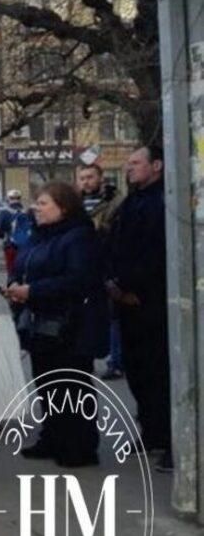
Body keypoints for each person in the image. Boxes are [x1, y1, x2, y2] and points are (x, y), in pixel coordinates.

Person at [5, 182, 105, 467]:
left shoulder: (78, 237)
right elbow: (22, 264)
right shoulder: (39, 236)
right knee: (46, 384)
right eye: (37, 203)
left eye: (44, 203)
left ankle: (79, 447)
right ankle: (52, 438)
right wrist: (14, 283)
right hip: (42, 325)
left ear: (64, 207)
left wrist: (33, 291)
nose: (37, 208)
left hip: (71, 324)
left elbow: (78, 280)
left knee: (71, 388)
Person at [107, 145, 172, 473]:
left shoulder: (163, 201)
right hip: (126, 300)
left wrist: (134, 289)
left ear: (156, 165)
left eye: (136, 163)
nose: (129, 168)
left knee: (159, 372)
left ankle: (170, 438)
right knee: (138, 371)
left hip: (151, 302)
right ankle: (152, 431)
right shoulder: (131, 200)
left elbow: (157, 254)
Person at [76, 163, 123, 381]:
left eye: (90, 177)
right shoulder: (74, 202)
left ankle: (116, 361)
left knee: (113, 314)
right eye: (82, 177)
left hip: (107, 262)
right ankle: (85, 359)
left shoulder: (114, 201)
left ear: (100, 178)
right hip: (80, 263)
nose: (86, 181)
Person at [0, 189, 34, 275]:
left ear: (8, 198)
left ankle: (12, 285)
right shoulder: (27, 211)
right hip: (25, 244)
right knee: (23, 269)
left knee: (11, 270)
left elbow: (1, 228)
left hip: (11, 245)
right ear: (20, 198)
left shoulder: (4, 212)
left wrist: (0, 236)